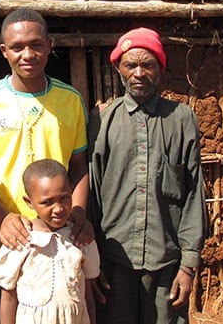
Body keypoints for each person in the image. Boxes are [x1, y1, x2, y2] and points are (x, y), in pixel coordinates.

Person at [88, 27, 208, 324]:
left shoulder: (181, 119)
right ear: (118, 68)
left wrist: (189, 265)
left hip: (167, 262)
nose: (139, 73)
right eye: (131, 65)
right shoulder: (102, 119)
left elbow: (193, 194)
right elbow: (91, 191)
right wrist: (92, 261)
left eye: (148, 64)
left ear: (160, 68)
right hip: (114, 261)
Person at [0, 8, 93, 249]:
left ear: (50, 45)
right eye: (17, 47)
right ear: (4, 51)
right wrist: (2, 215)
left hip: (58, 230)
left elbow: (79, 165)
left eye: (36, 45)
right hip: (3, 229)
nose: (28, 54)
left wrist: (77, 213)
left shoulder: (71, 100)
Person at [0, 159, 100, 324]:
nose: (58, 208)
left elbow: (87, 295)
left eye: (64, 198)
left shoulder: (80, 237)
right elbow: (8, 298)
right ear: (29, 202)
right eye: (47, 202)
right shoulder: (21, 241)